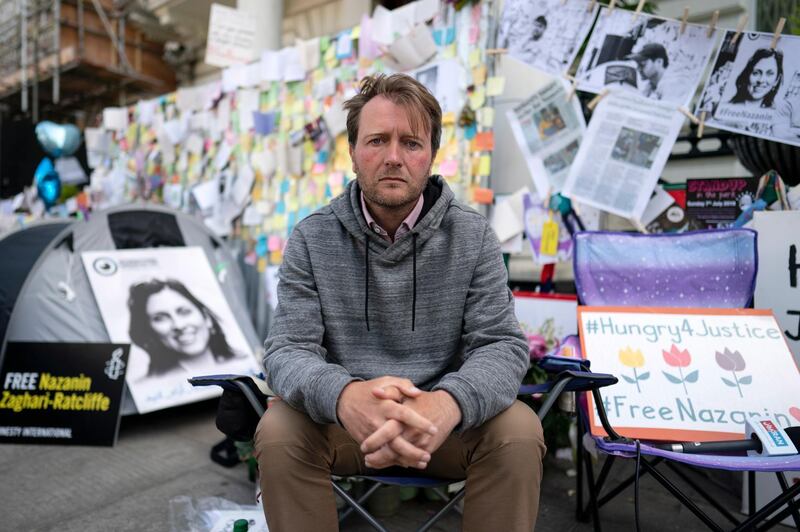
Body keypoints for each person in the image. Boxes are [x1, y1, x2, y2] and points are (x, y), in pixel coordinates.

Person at [256, 73, 545, 531]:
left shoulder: (472, 236)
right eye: (376, 140)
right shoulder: (312, 237)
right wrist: (345, 396)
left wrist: (449, 403)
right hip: (346, 425)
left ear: (431, 155)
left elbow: (502, 346)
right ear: (352, 152)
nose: (393, 157)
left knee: (518, 430)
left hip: (444, 425)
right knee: (278, 431)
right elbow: (287, 349)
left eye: (411, 143)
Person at [128, 278, 242, 378]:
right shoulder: (149, 385)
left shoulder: (246, 365)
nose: (179, 325)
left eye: (184, 312)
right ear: (149, 332)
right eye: (160, 318)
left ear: (207, 318)